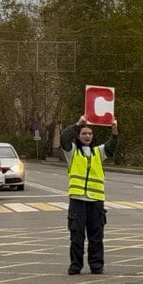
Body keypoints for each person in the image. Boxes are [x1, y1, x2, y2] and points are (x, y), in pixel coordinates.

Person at [61, 115, 117, 275]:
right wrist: (77, 124)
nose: (87, 136)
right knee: (77, 236)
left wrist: (114, 130)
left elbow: (112, 146)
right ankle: (75, 265)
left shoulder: (98, 152)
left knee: (96, 236)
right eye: (84, 133)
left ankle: (96, 265)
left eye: (90, 134)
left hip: (96, 200)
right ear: (78, 136)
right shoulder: (72, 152)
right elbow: (64, 137)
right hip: (78, 200)